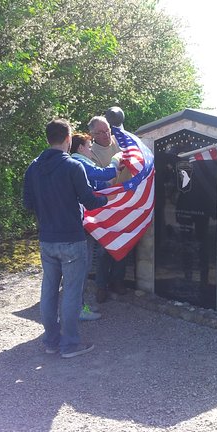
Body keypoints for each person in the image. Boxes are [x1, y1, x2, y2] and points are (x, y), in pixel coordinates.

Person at [23, 118, 108, 358]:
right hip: (72, 238)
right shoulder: (73, 166)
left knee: (49, 290)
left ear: (48, 138)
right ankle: (70, 344)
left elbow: (27, 203)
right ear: (68, 139)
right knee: (71, 291)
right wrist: (108, 199)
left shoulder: (33, 167)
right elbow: (89, 200)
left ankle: (51, 342)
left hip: (46, 239)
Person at [70, 132, 124, 320]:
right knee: (80, 268)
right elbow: (102, 174)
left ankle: (76, 307)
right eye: (88, 145)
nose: (91, 148)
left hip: (82, 223)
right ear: (80, 148)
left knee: (78, 269)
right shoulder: (79, 162)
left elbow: (99, 183)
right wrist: (116, 161)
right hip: (82, 223)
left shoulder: (80, 163)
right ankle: (77, 309)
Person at [87, 116, 130, 302]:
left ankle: (118, 281)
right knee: (105, 247)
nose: (105, 135)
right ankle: (101, 286)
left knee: (126, 243)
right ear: (92, 134)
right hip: (106, 203)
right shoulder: (91, 152)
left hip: (126, 200)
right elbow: (99, 178)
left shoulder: (120, 142)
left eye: (107, 131)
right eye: (100, 132)